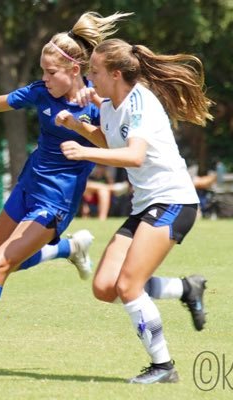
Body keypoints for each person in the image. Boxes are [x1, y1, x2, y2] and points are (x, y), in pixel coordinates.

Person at [0, 11, 132, 373]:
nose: (44, 79)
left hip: (55, 202)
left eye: (51, 73)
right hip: (27, 189)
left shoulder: (99, 104)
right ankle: (70, 248)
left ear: (74, 70)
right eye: (43, 71)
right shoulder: (39, 92)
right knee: (4, 262)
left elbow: (116, 146)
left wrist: (81, 123)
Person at [57, 38, 213, 383]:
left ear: (115, 73)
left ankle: (163, 367)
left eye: (94, 71)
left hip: (173, 201)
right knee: (105, 286)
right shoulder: (112, 103)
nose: (89, 78)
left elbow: (134, 155)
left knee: (128, 285)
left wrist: (84, 153)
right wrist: (78, 127)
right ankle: (186, 289)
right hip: (147, 205)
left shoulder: (140, 101)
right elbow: (110, 140)